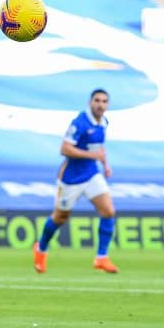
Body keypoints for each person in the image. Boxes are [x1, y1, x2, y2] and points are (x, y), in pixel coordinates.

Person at [33, 88, 118, 274]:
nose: (100, 104)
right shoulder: (79, 123)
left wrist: (106, 165)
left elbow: (98, 148)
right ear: (90, 102)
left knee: (108, 211)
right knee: (60, 217)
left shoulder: (104, 122)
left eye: (104, 101)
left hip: (92, 174)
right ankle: (41, 249)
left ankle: (101, 257)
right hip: (72, 178)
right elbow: (64, 149)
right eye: (97, 100)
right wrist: (92, 155)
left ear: (108, 105)